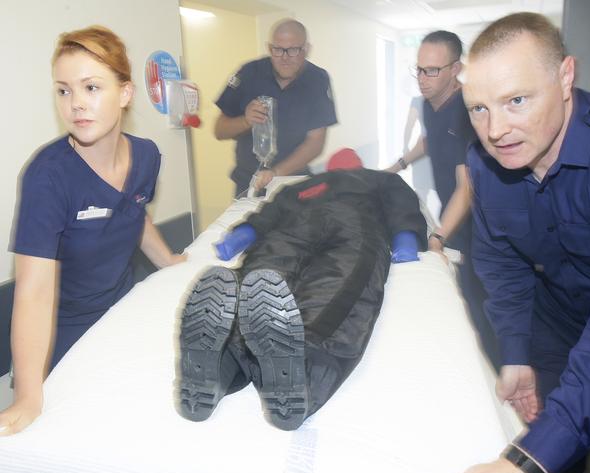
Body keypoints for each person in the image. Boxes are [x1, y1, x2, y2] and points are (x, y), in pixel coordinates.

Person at [458, 12, 590, 473]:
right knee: (560, 463)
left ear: (565, 77)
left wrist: (527, 463)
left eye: (516, 100)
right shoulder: (485, 162)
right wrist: (516, 352)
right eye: (478, 109)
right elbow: (501, 262)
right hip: (557, 327)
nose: (495, 129)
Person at [0, 26, 186, 437]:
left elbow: (135, 214)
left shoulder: (147, 156)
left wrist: (169, 261)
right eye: (63, 91)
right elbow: (32, 292)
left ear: (125, 94)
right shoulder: (47, 177)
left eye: (91, 87)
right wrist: (29, 395)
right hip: (62, 333)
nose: (76, 104)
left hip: (121, 311)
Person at [177, 148, 428, 430]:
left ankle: (229, 363)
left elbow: (401, 202)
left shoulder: (317, 185)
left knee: (276, 272)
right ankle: (296, 371)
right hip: (339, 225)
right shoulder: (367, 180)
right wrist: (406, 237)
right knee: (329, 283)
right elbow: (270, 212)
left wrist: (241, 236)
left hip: (317, 226)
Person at [387, 31, 499, 369]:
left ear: (456, 69)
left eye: (432, 71)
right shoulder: (428, 103)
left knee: (484, 306)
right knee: (460, 296)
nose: (422, 79)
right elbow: (427, 139)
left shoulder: (468, 111)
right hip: (455, 215)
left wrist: (438, 236)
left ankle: (497, 374)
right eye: (419, 70)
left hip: (484, 223)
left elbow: (467, 187)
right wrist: (397, 166)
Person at [214, 18, 337, 197]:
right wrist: (246, 120)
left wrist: (276, 173)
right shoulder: (248, 74)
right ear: (270, 48)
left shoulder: (317, 80)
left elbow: (316, 142)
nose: (285, 58)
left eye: (293, 50)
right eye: (278, 50)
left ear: (306, 49)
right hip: (247, 184)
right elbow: (219, 131)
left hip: (294, 183)